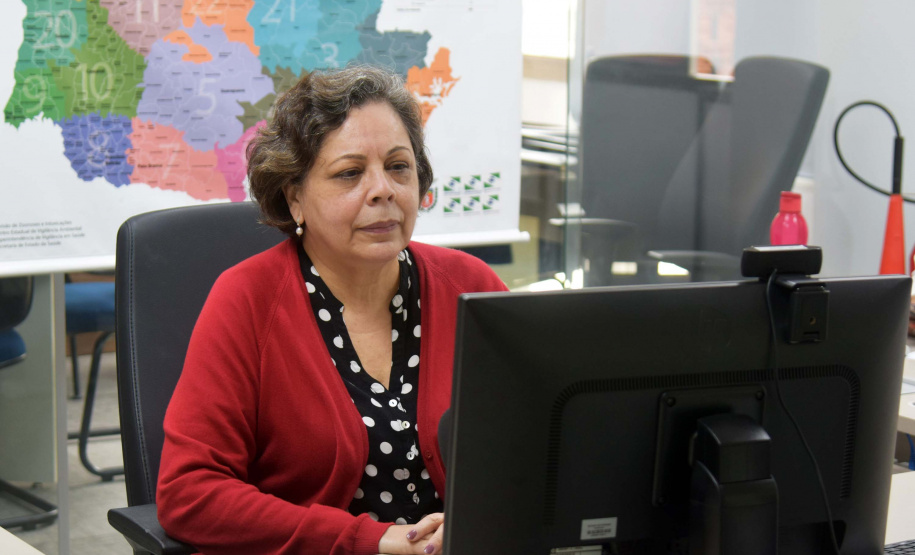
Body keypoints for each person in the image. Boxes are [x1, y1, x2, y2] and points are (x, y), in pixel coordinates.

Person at [155, 64, 508, 555]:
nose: (383, 189)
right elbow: (189, 493)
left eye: (399, 166)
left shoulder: (471, 286)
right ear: (295, 196)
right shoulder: (246, 301)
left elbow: (534, 447)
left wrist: (478, 520)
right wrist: (372, 541)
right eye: (349, 173)